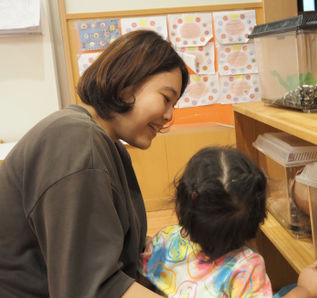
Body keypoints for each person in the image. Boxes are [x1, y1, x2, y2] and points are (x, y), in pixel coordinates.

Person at [0, 30, 189, 297]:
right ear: (125, 87)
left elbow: (116, 249)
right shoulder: (75, 141)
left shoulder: (107, 143)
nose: (169, 115)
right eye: (166, 98)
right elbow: (92, 288)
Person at [139, 146, 317, 297]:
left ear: (181, 207)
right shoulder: (245, 266)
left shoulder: (165, 239)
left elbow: (142, 278)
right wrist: (305, 289)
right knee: (290, 288)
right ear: (258, 217)